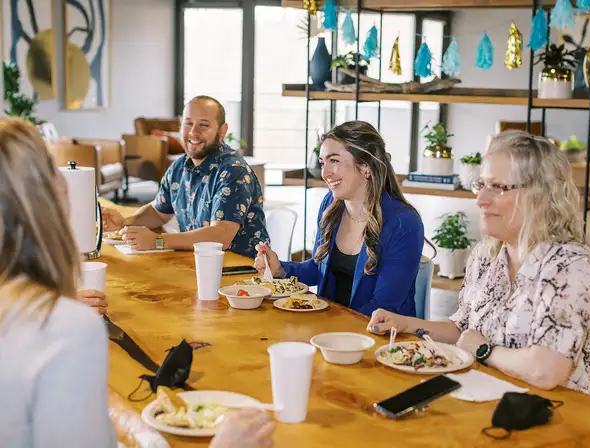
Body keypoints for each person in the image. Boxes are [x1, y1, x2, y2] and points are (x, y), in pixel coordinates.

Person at [0, 118, 275, 447]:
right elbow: (159, 212)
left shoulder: (233, 169)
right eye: (53, 168)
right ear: (46, 195)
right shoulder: (66, 328)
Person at [366, 130, 590, 399]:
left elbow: (545, 371)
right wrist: (405, 324)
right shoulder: (487, 254)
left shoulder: (571, 266)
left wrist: (485, 351)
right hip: (491, 398)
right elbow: (463, 330)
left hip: (568, 417)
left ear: (540, 195)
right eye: (481, 185)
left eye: (497, 187)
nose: (481, 199)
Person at [255, 120, 424, 317]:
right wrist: (280, 269)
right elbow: (319, 269)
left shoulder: (404, 223)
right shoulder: (331, 206)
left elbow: (384, 307)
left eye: (334, 161)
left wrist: (327, 326)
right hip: (333, 330)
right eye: (322, 162)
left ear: (366, 167)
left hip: (378, 338)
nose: (325, 173)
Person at [102, 95, 269, 258]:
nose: (193, 132)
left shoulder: (234, 171)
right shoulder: (178, 167)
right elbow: (158, 212)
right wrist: (125, 223)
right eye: (188, 123)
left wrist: (157, 241)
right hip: (198, 265)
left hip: (244, 272)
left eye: (204, 125)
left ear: (222, 130)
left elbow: (220, 236)